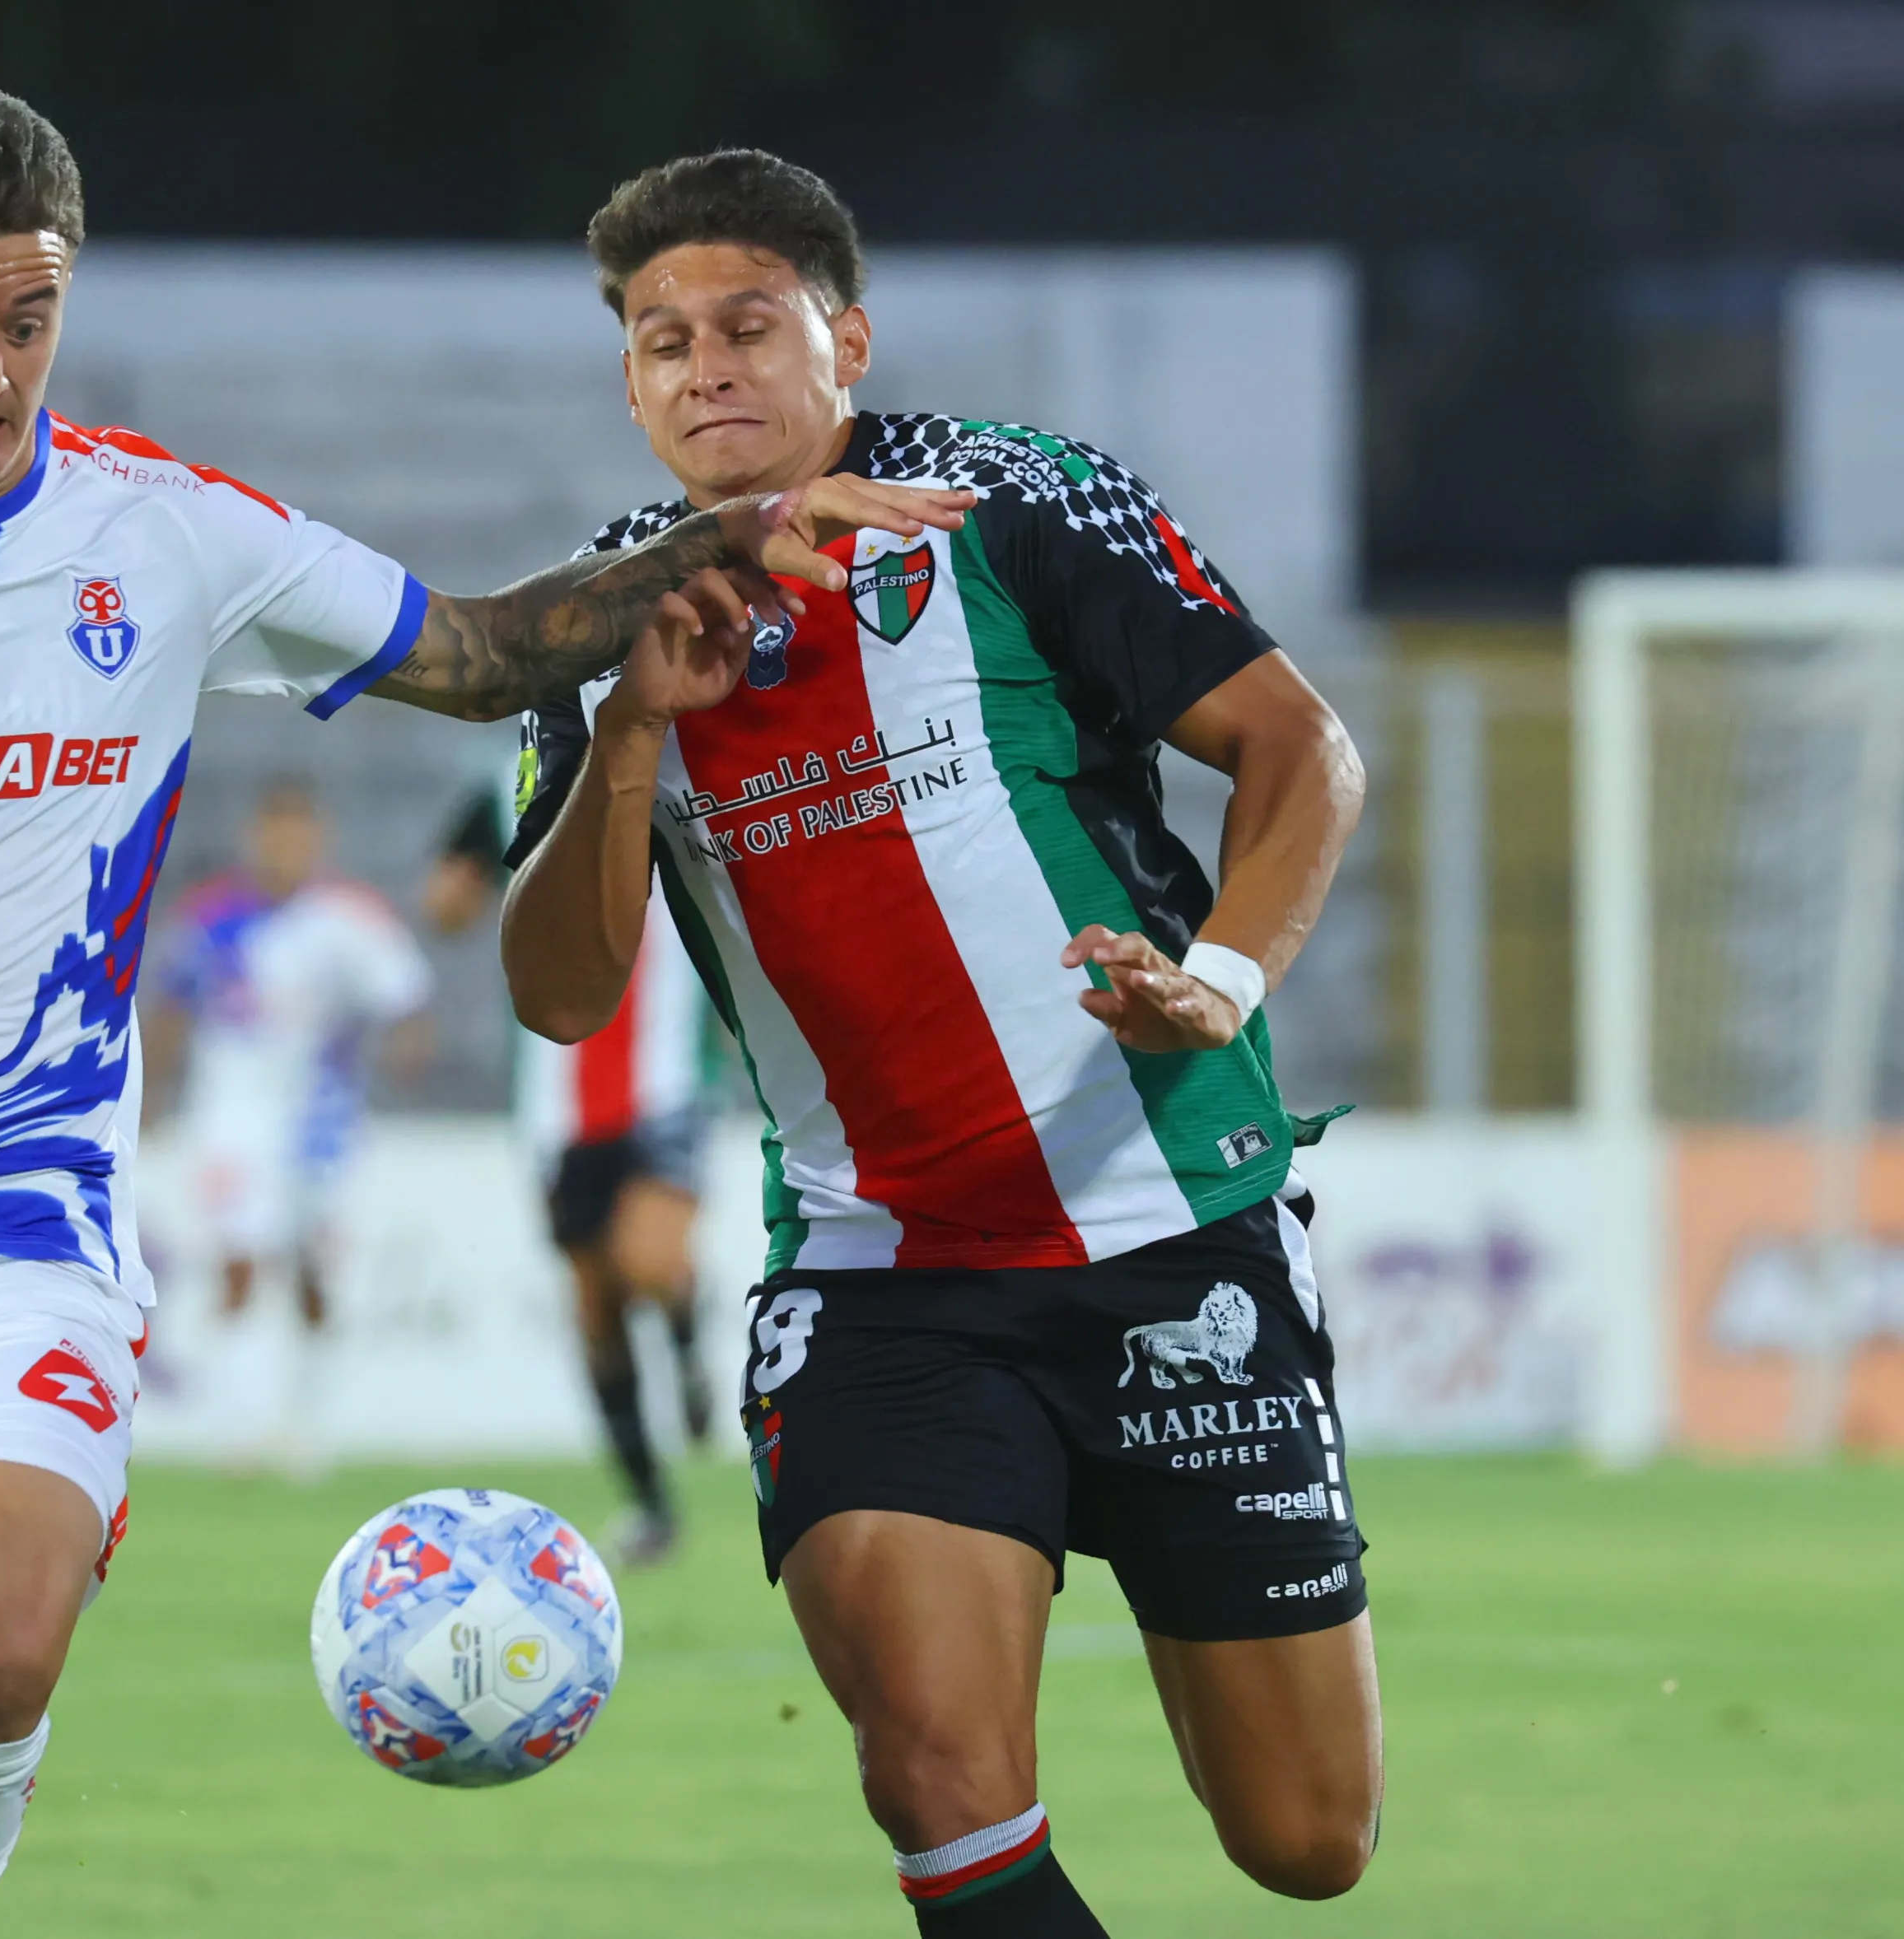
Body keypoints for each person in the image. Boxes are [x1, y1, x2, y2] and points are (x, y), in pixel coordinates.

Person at [0, 81, 966, 1939]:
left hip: (11, 1238)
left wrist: (734, 528)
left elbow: (483, 650)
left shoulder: (163, 530)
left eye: (27, 320)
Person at [500, 149, 1378, 1934]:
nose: (704, 368)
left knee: (1304, 1840)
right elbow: (559, 993)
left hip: (1167, 1227)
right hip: (878, 1272)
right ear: (628, 386)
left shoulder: (1012, 501)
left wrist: (1217, 977)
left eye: (747, 326)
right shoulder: (605, 620)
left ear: (844, 340)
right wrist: (631, 735)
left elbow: (1301, 749)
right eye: (662, 342)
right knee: (934, 1772)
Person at [427, 783, 712, 1564]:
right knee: (596, 1308)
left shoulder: (675, 765)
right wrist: (460, 891)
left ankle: (688, 1346)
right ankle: (651, 1503)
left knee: (647, 1260)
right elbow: (447, 904)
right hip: (557, 1103)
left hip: (663, 1080)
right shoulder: (506, 780)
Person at [147, 777, 432, 1460]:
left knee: (312, 1268)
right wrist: (151, 1093)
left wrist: (406, 1050)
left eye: (299, 834)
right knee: (238, 1259)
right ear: (254, 838)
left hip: (320, 1116)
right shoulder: (213, 915)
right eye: (275, 834)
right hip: (232, 1112)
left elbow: (406, 999)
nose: (286, 848)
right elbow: (170, 1006)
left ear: (319, 840)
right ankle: (237, 1428)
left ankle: (307, 1424)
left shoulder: (349, 917)